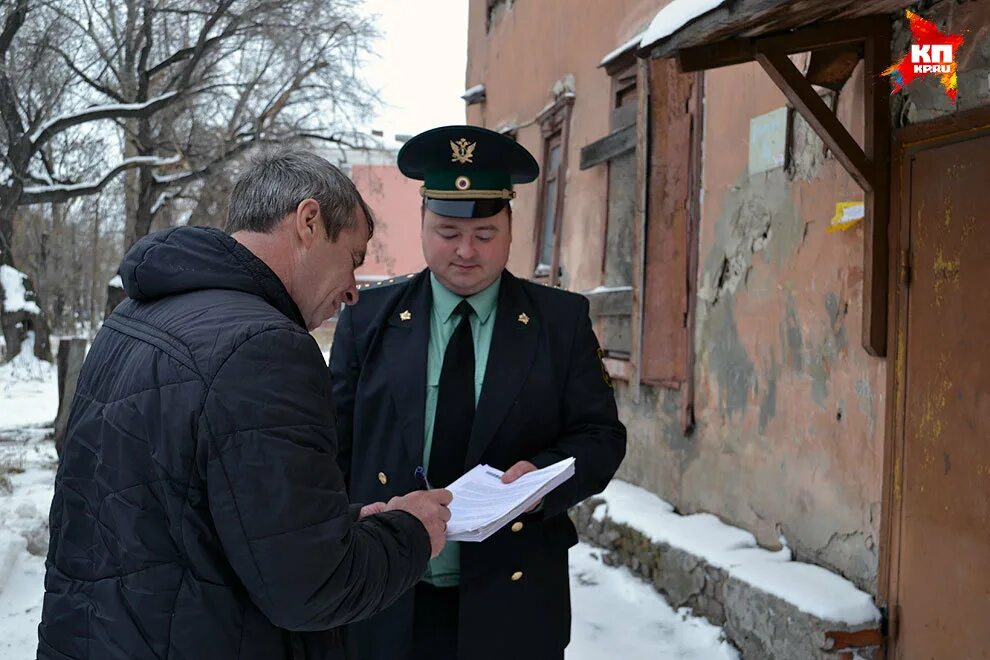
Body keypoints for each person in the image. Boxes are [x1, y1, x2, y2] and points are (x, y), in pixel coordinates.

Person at [37, 148, 452, 660]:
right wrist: (410, 533)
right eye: (353, 258)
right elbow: (313, 586)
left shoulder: (138, 317)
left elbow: (184, 508)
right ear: (308, 221)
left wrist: (337, 523)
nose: (352, 292)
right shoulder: (266, 348)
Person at [329, 125, 627, 660]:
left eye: (485, 234)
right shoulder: (367, 321)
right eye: (447, 231)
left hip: (513, 597)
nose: (466, 251)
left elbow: (601, 436)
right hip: (385, 595)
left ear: (511, 227)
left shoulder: (559, 322)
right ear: (422, 224)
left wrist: (543, 477)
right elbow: (333, 447)